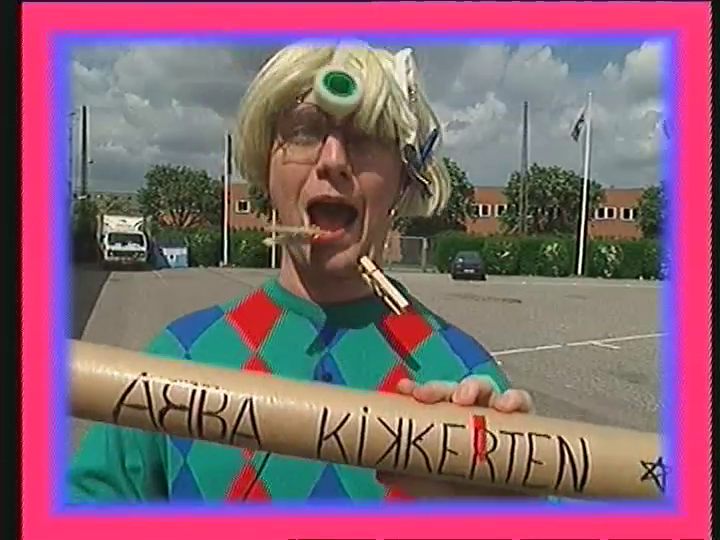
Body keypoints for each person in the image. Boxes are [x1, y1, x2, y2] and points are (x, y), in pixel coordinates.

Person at [69, 41, 535, 502]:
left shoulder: (462, 379)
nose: (333, 160)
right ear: (267, 169)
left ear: (402, 180)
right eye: (305, 133)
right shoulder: (179, 361)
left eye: (365, 138)